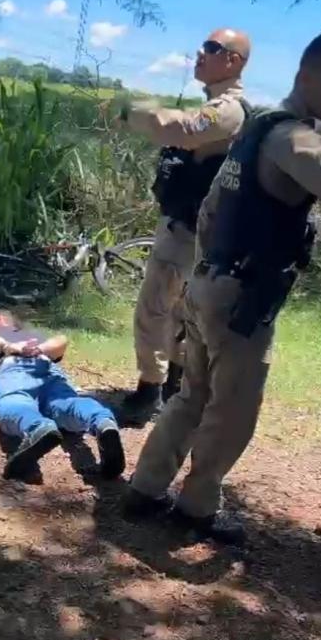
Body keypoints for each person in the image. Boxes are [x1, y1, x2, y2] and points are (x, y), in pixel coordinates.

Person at [124, 30, 321, 545]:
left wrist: (208, 271)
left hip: (210, 283)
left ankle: (145, 487)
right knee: (233, 411)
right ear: (305, 77)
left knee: (190, 397)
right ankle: (196, 508)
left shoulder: (255, 126)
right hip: (241, 300)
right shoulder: (293, 137)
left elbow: (210, 209)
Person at [117, 28, 253, 423]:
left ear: (233, 61)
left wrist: (132, 110)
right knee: (178, 313)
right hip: (192, 228)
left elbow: (179, 129)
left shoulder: (227, 110)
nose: (200, 52)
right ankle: (173, 386)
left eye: (211, 48)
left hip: (189, 234)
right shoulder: (220, 105)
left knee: (155, 309)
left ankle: (150, 391)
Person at [0, 310, 124, 480]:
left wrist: (38, 348)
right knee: (65, 404)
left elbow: (62, 340)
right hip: (28, 367)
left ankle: (42, 428)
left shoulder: (32, 336)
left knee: (16, 402)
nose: (1, 319)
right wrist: (6, 346)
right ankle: (102, 422)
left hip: (35, 369)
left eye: (5, 317)